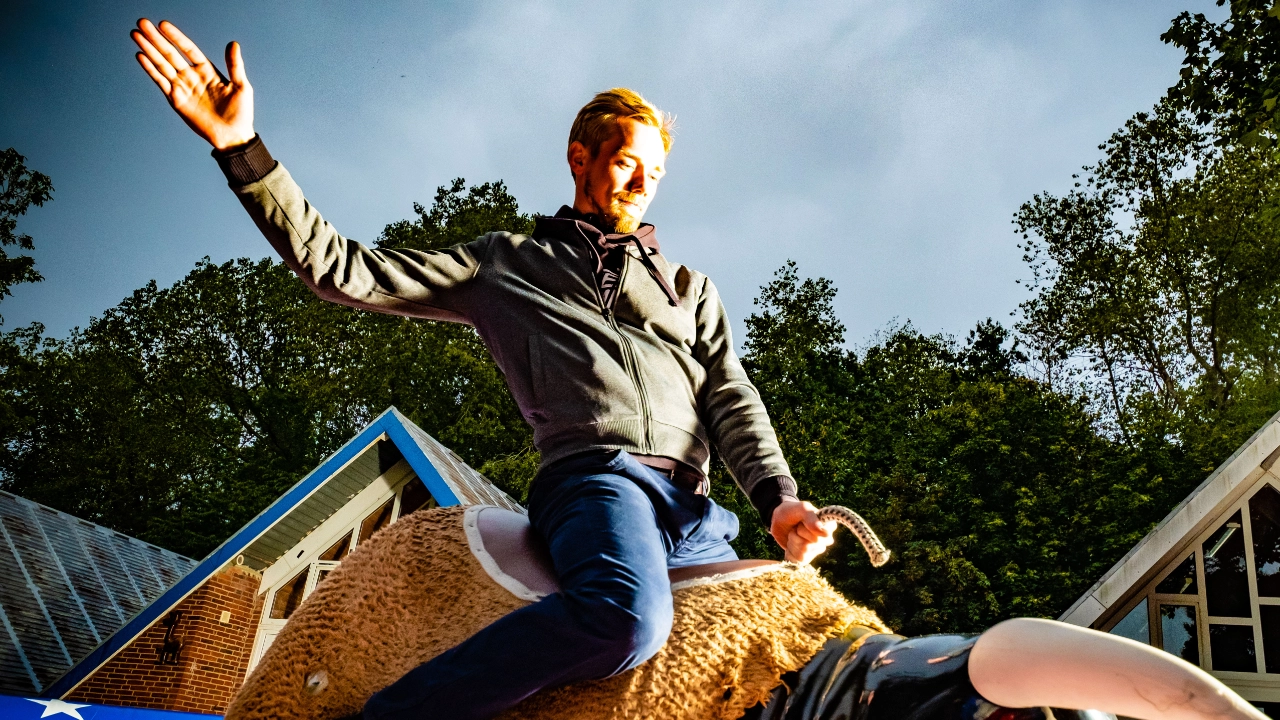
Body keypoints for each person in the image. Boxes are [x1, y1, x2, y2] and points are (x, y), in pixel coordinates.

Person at [130, 17, 836, 720]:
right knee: (627, 619)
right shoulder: (505, 263)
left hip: (697, 518)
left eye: (654, 173)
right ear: (580, 156)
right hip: (598, 484)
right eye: (626, 161)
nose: (641, 183)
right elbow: (341, 269)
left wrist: (778, 499)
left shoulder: (691, 289)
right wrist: (241, 150)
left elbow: (730, 396)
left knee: (783, 665)